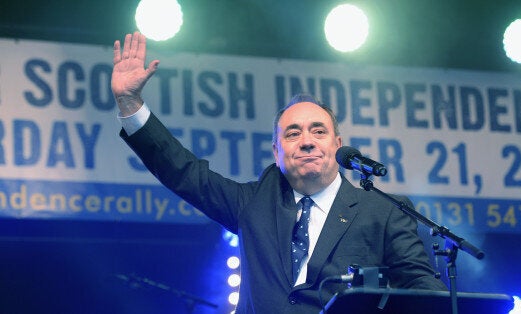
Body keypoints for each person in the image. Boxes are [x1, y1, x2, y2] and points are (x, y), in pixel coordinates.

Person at [111, 32, 447, 313]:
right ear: (276, 151)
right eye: (293, 133)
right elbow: (184, 172)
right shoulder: (254, 204)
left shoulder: (383, 211)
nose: (307, 142)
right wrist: (130, 103)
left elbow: (425, 291)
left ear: (337, 143)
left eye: (318, 132)